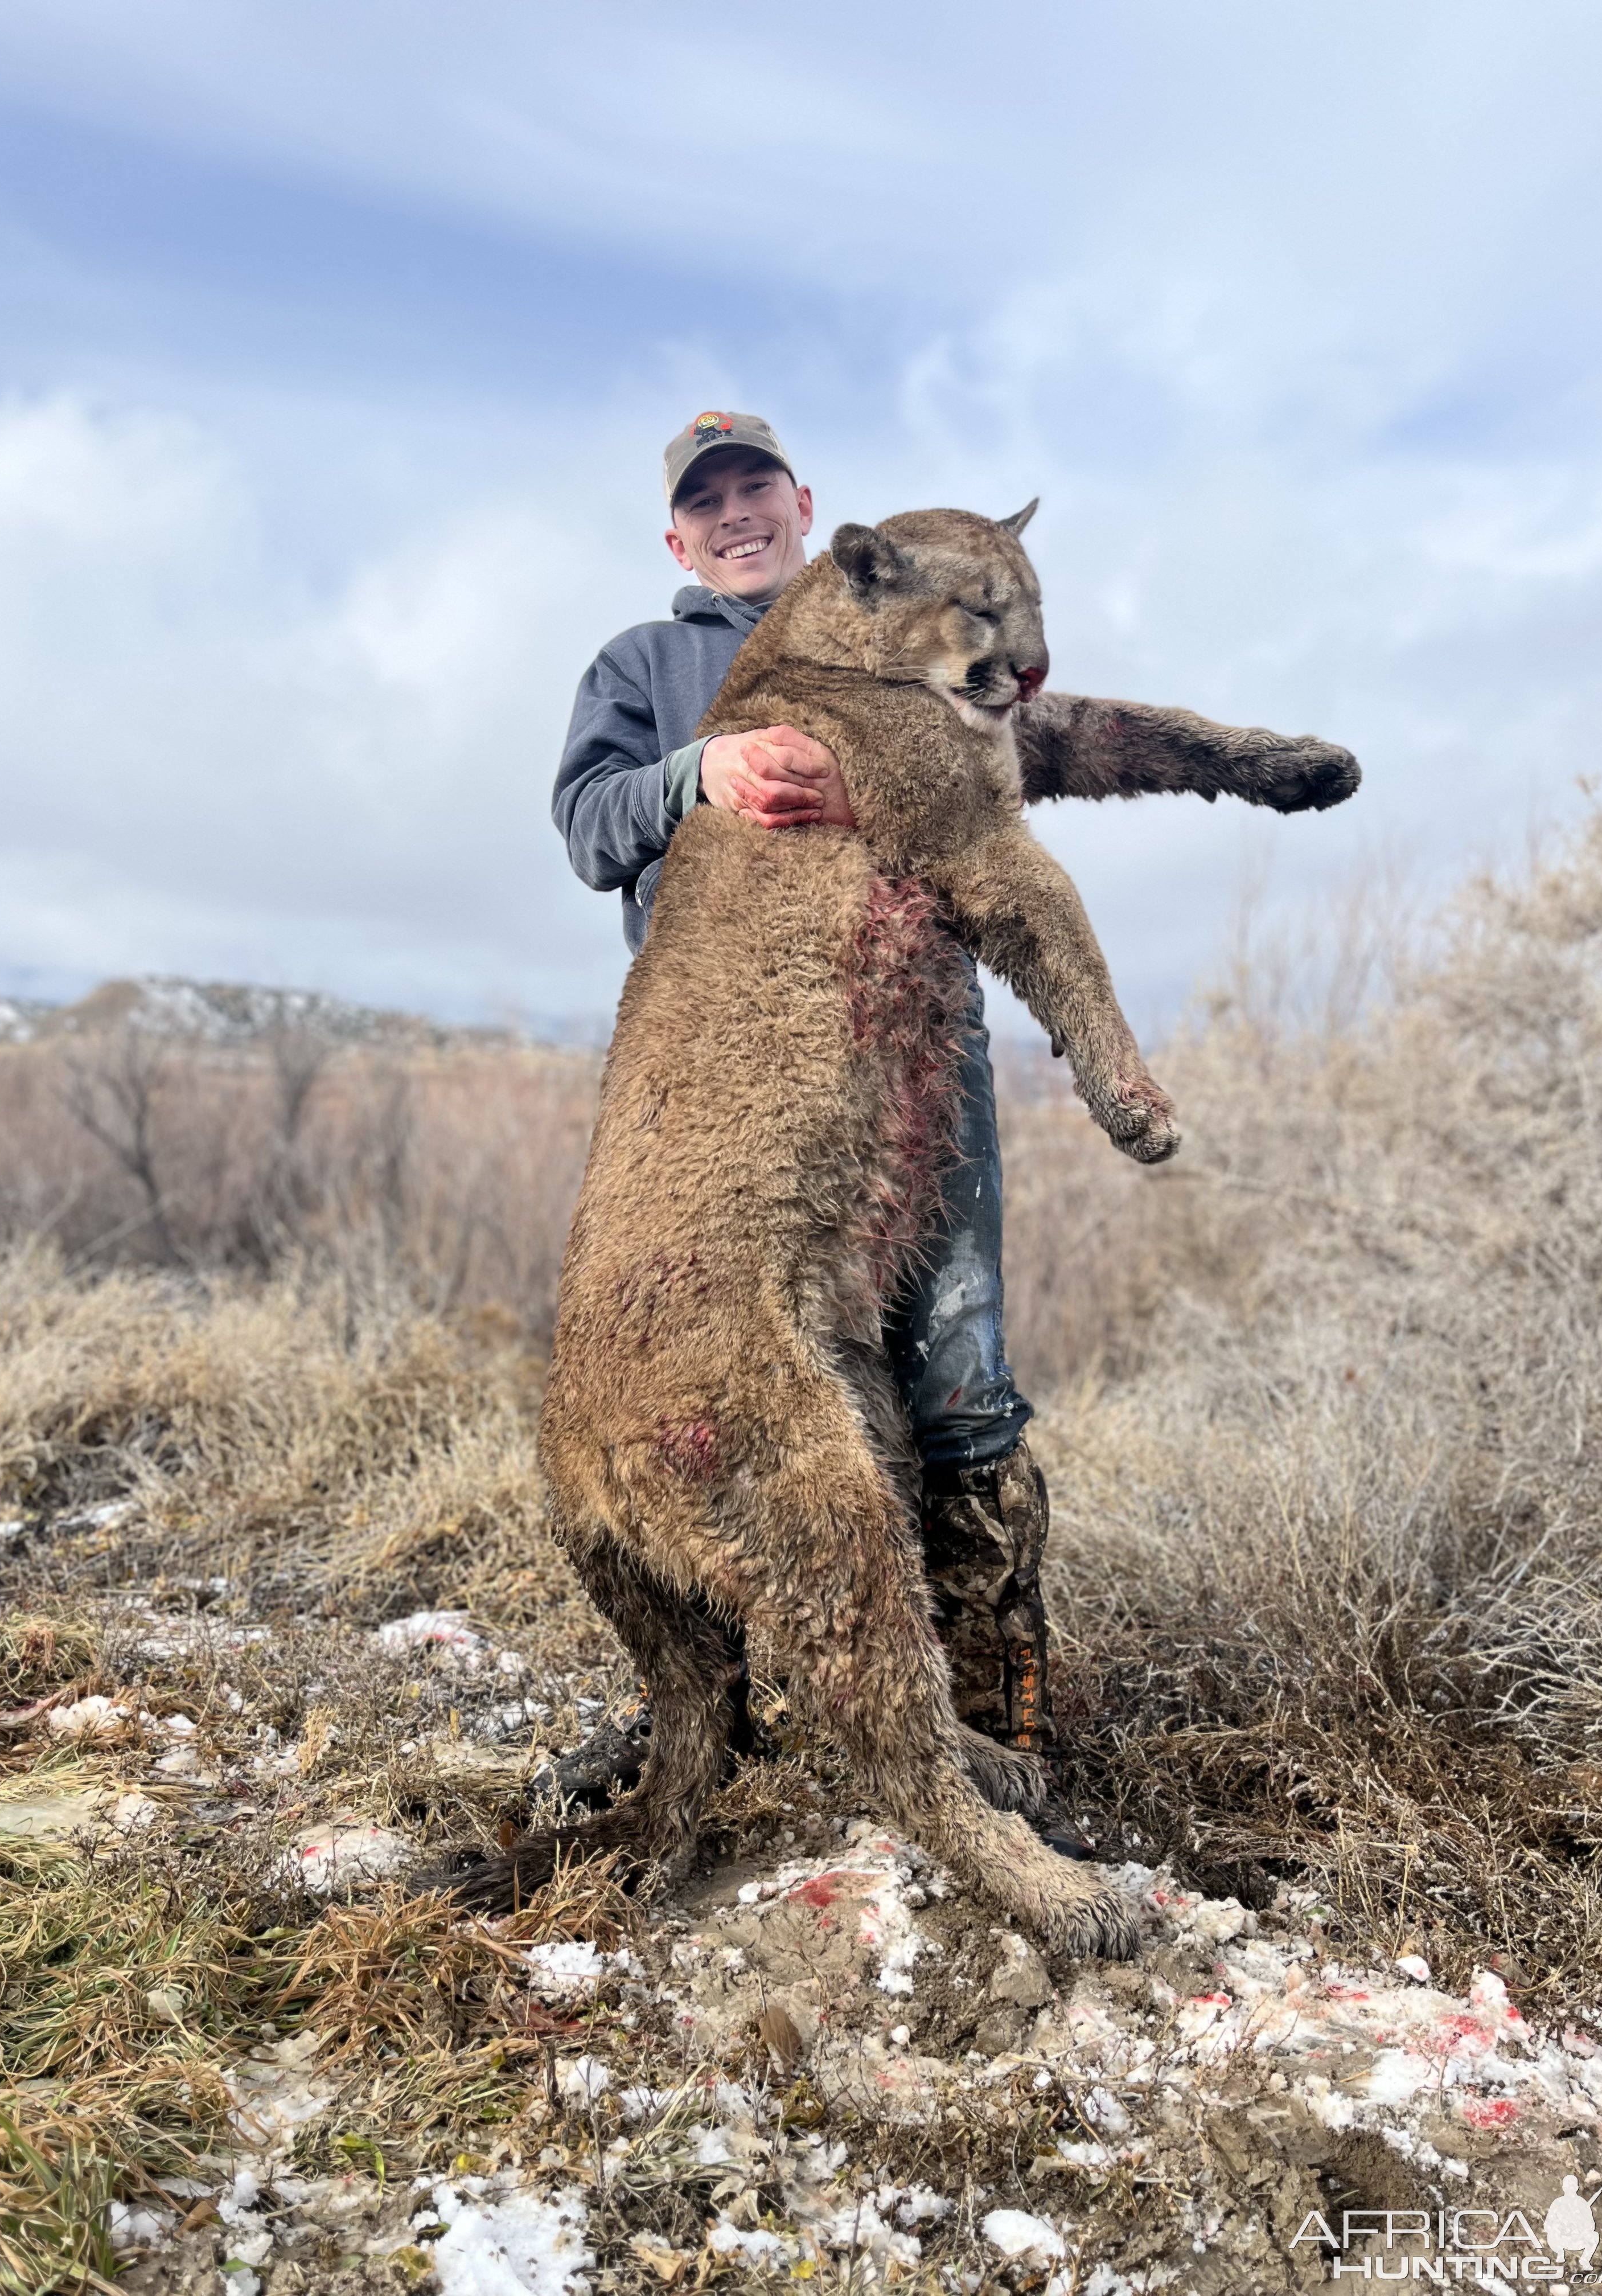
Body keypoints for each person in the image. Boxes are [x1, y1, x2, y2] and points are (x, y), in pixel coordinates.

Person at [551, 409, 1335, 1836]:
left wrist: (1245, 758)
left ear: (808, 509)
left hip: (922, 1052)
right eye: (705, 503)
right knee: (753, 1385)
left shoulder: (925, 636)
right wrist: (699, 774)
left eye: (754, 491)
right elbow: (589, 820)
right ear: (678, 537)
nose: (735, 516)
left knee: (955, 1381)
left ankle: (989, 1726)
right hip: (743, 1090)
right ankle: (728, 1714)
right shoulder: (649, 666)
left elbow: (1057, 736)